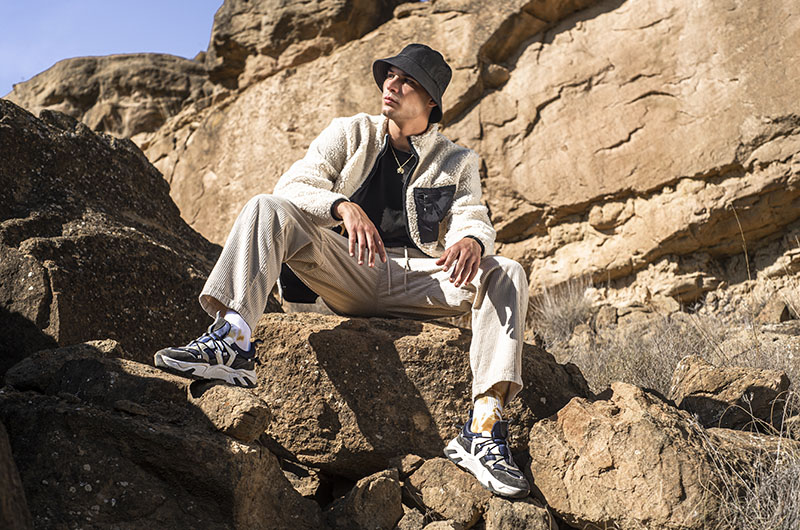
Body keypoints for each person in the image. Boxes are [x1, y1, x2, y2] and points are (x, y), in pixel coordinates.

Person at [154, 44, 530, 498]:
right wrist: (341, 206)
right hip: (351, 269)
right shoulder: (350, 132)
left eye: (407, 80)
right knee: (267, 206)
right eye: (390, 75)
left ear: (431, 100)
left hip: (422, 278)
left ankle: (484, 429)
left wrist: (471, 239)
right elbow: (295, 184)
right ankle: (233, 340)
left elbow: (472, 214)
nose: (392, 84)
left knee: (507, 270)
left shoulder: (457, 160)